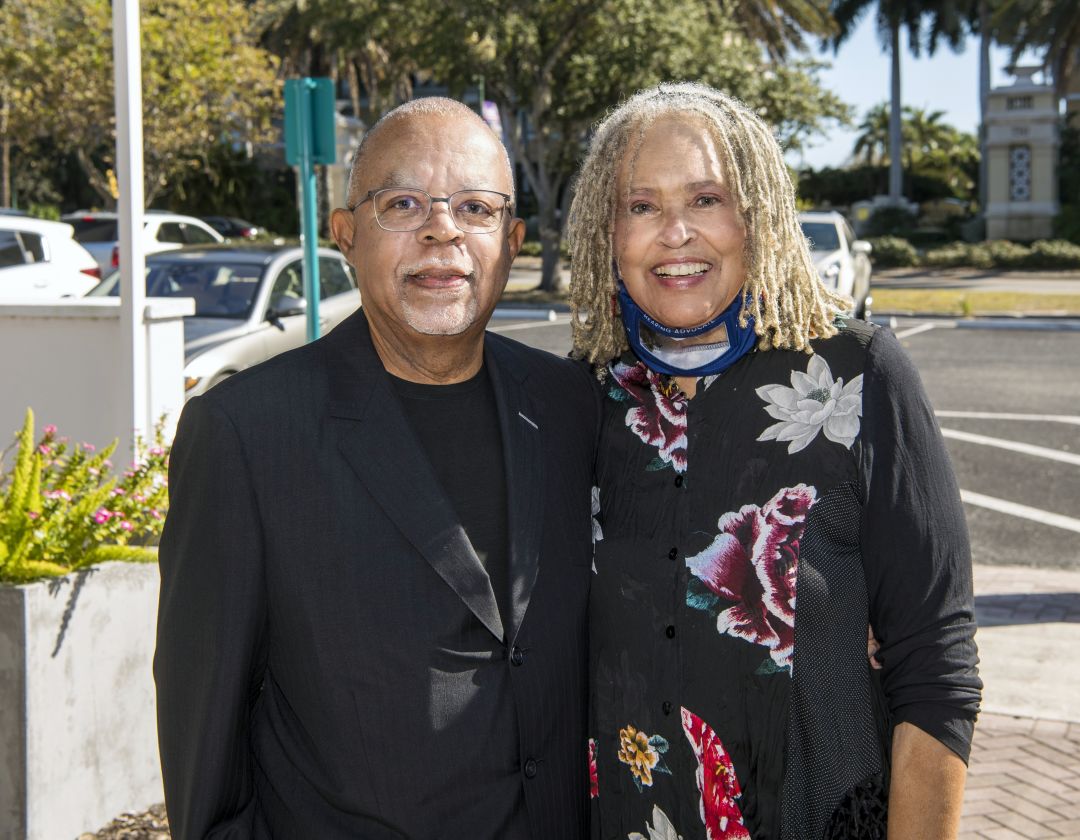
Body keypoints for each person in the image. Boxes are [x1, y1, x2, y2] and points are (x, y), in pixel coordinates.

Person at [154, 97, 598, 839]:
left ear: (512, 240)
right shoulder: (245, 434)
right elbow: (205, 745)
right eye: (403, 203)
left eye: (476, 208)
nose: (442, 229)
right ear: (346, 236)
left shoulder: (570, 405)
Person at [568, 82, 981, 840]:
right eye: (640, 206)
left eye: (706, 199)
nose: (675, 233)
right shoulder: (583, 395)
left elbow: (937, 669)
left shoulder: (858, 374)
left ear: (757, 214)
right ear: (607, 230)